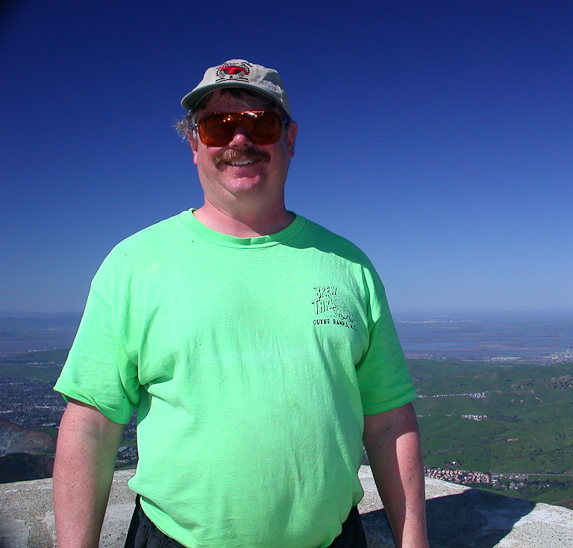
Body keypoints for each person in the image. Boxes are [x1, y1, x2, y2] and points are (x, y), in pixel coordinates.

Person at [52, 59, 429, 548]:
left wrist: (414, 541)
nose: (239, 141)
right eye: (217, 126)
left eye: (260, 123)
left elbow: (389, 419)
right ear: (194, 144)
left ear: (289, 139)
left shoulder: (348, 266)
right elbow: (91, 425)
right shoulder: (134, 264)